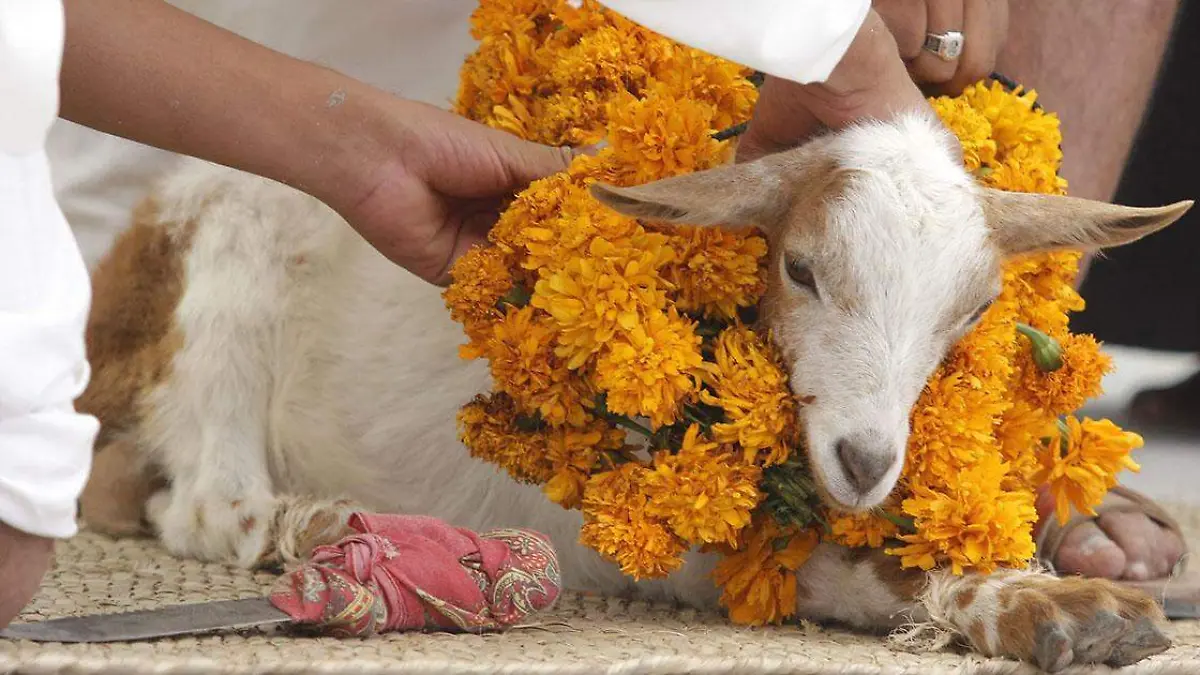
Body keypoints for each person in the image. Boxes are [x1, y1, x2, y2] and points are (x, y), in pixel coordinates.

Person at [0, 0, 1184, 628]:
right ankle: (194, 492)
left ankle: (992, 441)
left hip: (637, 117)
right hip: (275, 114)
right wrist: (817, 30)